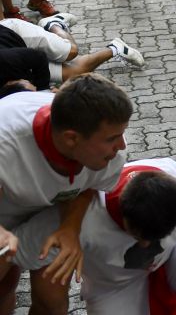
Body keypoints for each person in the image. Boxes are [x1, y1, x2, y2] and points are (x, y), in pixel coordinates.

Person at [35, 158, 176, 315]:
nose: (147, 246)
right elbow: (49, 304)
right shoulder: (81, 218)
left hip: (174, 254)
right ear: (121, 213)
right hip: (113, 286)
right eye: (137, 235)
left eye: (157, 236)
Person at [0, 75, 132, 315]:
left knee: (52, 301)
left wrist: (71, 228)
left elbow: (91, 187)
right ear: (71, 138)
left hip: (52, 207)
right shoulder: (5, 140)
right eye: (112, 138)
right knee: (3, 285)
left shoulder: (110, 154)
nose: (122, 146)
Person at [0, 13, 144, 86]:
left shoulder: (5, 58)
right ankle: (115, 48)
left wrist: (43, 91)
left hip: (16, 34)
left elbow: (37, 58)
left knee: (71, 52)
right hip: (15, 60)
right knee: (73, 74)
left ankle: (53, 24)